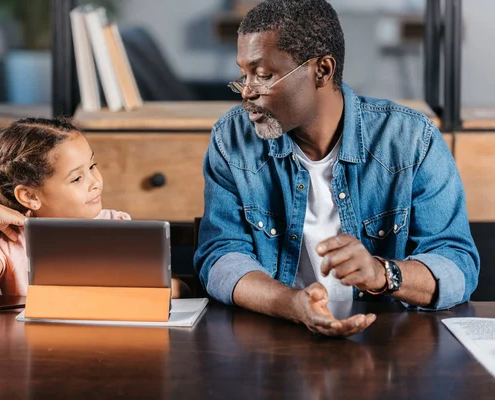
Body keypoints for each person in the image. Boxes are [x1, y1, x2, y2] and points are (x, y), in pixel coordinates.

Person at [194, 0, 479, 337]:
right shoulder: (232, 139)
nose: (247, 93)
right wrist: (293, 304)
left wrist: (381, 273)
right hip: (274, 343)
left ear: (322, 71)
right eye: (244, 75)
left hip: (386, 346)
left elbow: (458, 266)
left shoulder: (411, 140)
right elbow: (221, 257)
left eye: (264, 75)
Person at [0, 117, 188, 306]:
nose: (95, 182)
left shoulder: (117, 227)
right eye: (77, 179)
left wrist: (173, 288)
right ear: (29, 196)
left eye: (92, 166)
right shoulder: (10, 243)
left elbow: (173, 290)